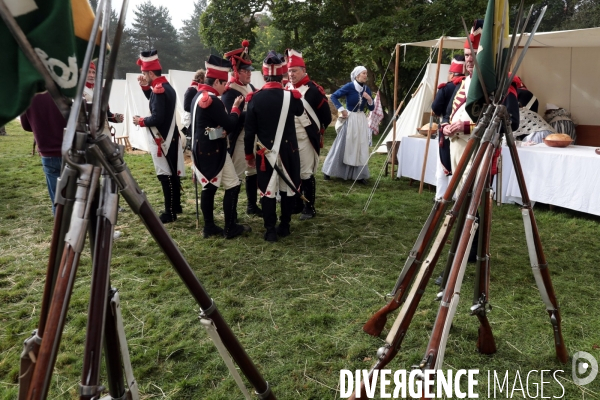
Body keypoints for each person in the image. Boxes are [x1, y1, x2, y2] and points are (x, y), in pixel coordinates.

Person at [244, 51, 304, 242]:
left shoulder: (254, 98)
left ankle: (270, 230)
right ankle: (284, 226)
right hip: (288, 151)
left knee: (267, 192)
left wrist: (248, 156)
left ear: (263, 75)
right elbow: (300, 110)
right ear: (282, 75)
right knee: (287, 189)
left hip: (264, 153)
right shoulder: (291, 96)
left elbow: (249, 133)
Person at [190, 55, 252, 239]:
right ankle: (230, 227)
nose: (226, 87)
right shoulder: (212, 99)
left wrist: (219, 131)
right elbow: (230, 124)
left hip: (202, 150)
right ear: (216, 80)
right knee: (232, 186)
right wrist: (236, 108)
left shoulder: (198, 97)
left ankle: (209, 227)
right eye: (223, 82)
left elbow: (204, 127)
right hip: (214, 152)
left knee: (208, 189)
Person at [133, 50, 185, 224]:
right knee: (172, 174)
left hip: (162, 139)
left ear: (150, 72)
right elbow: (156, 101)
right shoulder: (164, 87)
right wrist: (144, 87)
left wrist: (140, 121)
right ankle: (176, 205)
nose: (143, 76)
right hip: (170, 138)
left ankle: (169, 212)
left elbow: (157, 117)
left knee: (166, 175)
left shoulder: (159, 90)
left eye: (143, 73)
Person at [284, 49, 332, 220]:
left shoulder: (313, 90)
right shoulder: (286, 88)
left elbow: (326, 117)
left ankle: (309, 207)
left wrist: (316, 132)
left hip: (305, 138)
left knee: (305, 173)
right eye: (289, 71)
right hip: (290, 138)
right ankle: (297, 203)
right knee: (293, 172)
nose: (291, 74)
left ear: (303, 71)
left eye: (294, 70)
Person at [222, 40, 262, 217]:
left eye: (249, 71)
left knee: (252, 172)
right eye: (245, 71)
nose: (249, 74)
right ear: (236, 71)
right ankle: (232, 214)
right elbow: (232, 119)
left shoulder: (250, 87)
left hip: (252, 137)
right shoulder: (229, 91)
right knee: (236, 176)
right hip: (238, 138)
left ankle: (252, 206)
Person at [322, 65, 374, 184]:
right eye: (364, 73)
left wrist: (369, 99)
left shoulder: (367, 89)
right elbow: (334, 96)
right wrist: (341, 109)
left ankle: (359, 175)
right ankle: (329, 170)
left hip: (361, 119)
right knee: (342, 144)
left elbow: (372, 108)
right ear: (357, 75)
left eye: (366, 73)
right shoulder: (349, 86)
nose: (366, 75)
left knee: (359, 146)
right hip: (350, 118)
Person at [20, 92, 65, 215]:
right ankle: (94, 231)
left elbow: (26, 125)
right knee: (82, 196)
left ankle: (62, 233)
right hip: (72, 150)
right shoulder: (66, 90)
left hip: (48, 152)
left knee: (58, 200)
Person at [431, 55, 465, 199]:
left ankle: (441, 197)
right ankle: (458, 196)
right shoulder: (469, 87)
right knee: (461, 165)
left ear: (452, 73)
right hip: (463, 133)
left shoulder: (446, 88)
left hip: (448, 129)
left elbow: (436, 109)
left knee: (442, 166)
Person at [182, 69, 206, 148]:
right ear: (201, 78)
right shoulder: (192, 89)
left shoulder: (195, 89)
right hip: (189, 119)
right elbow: (186, 106)